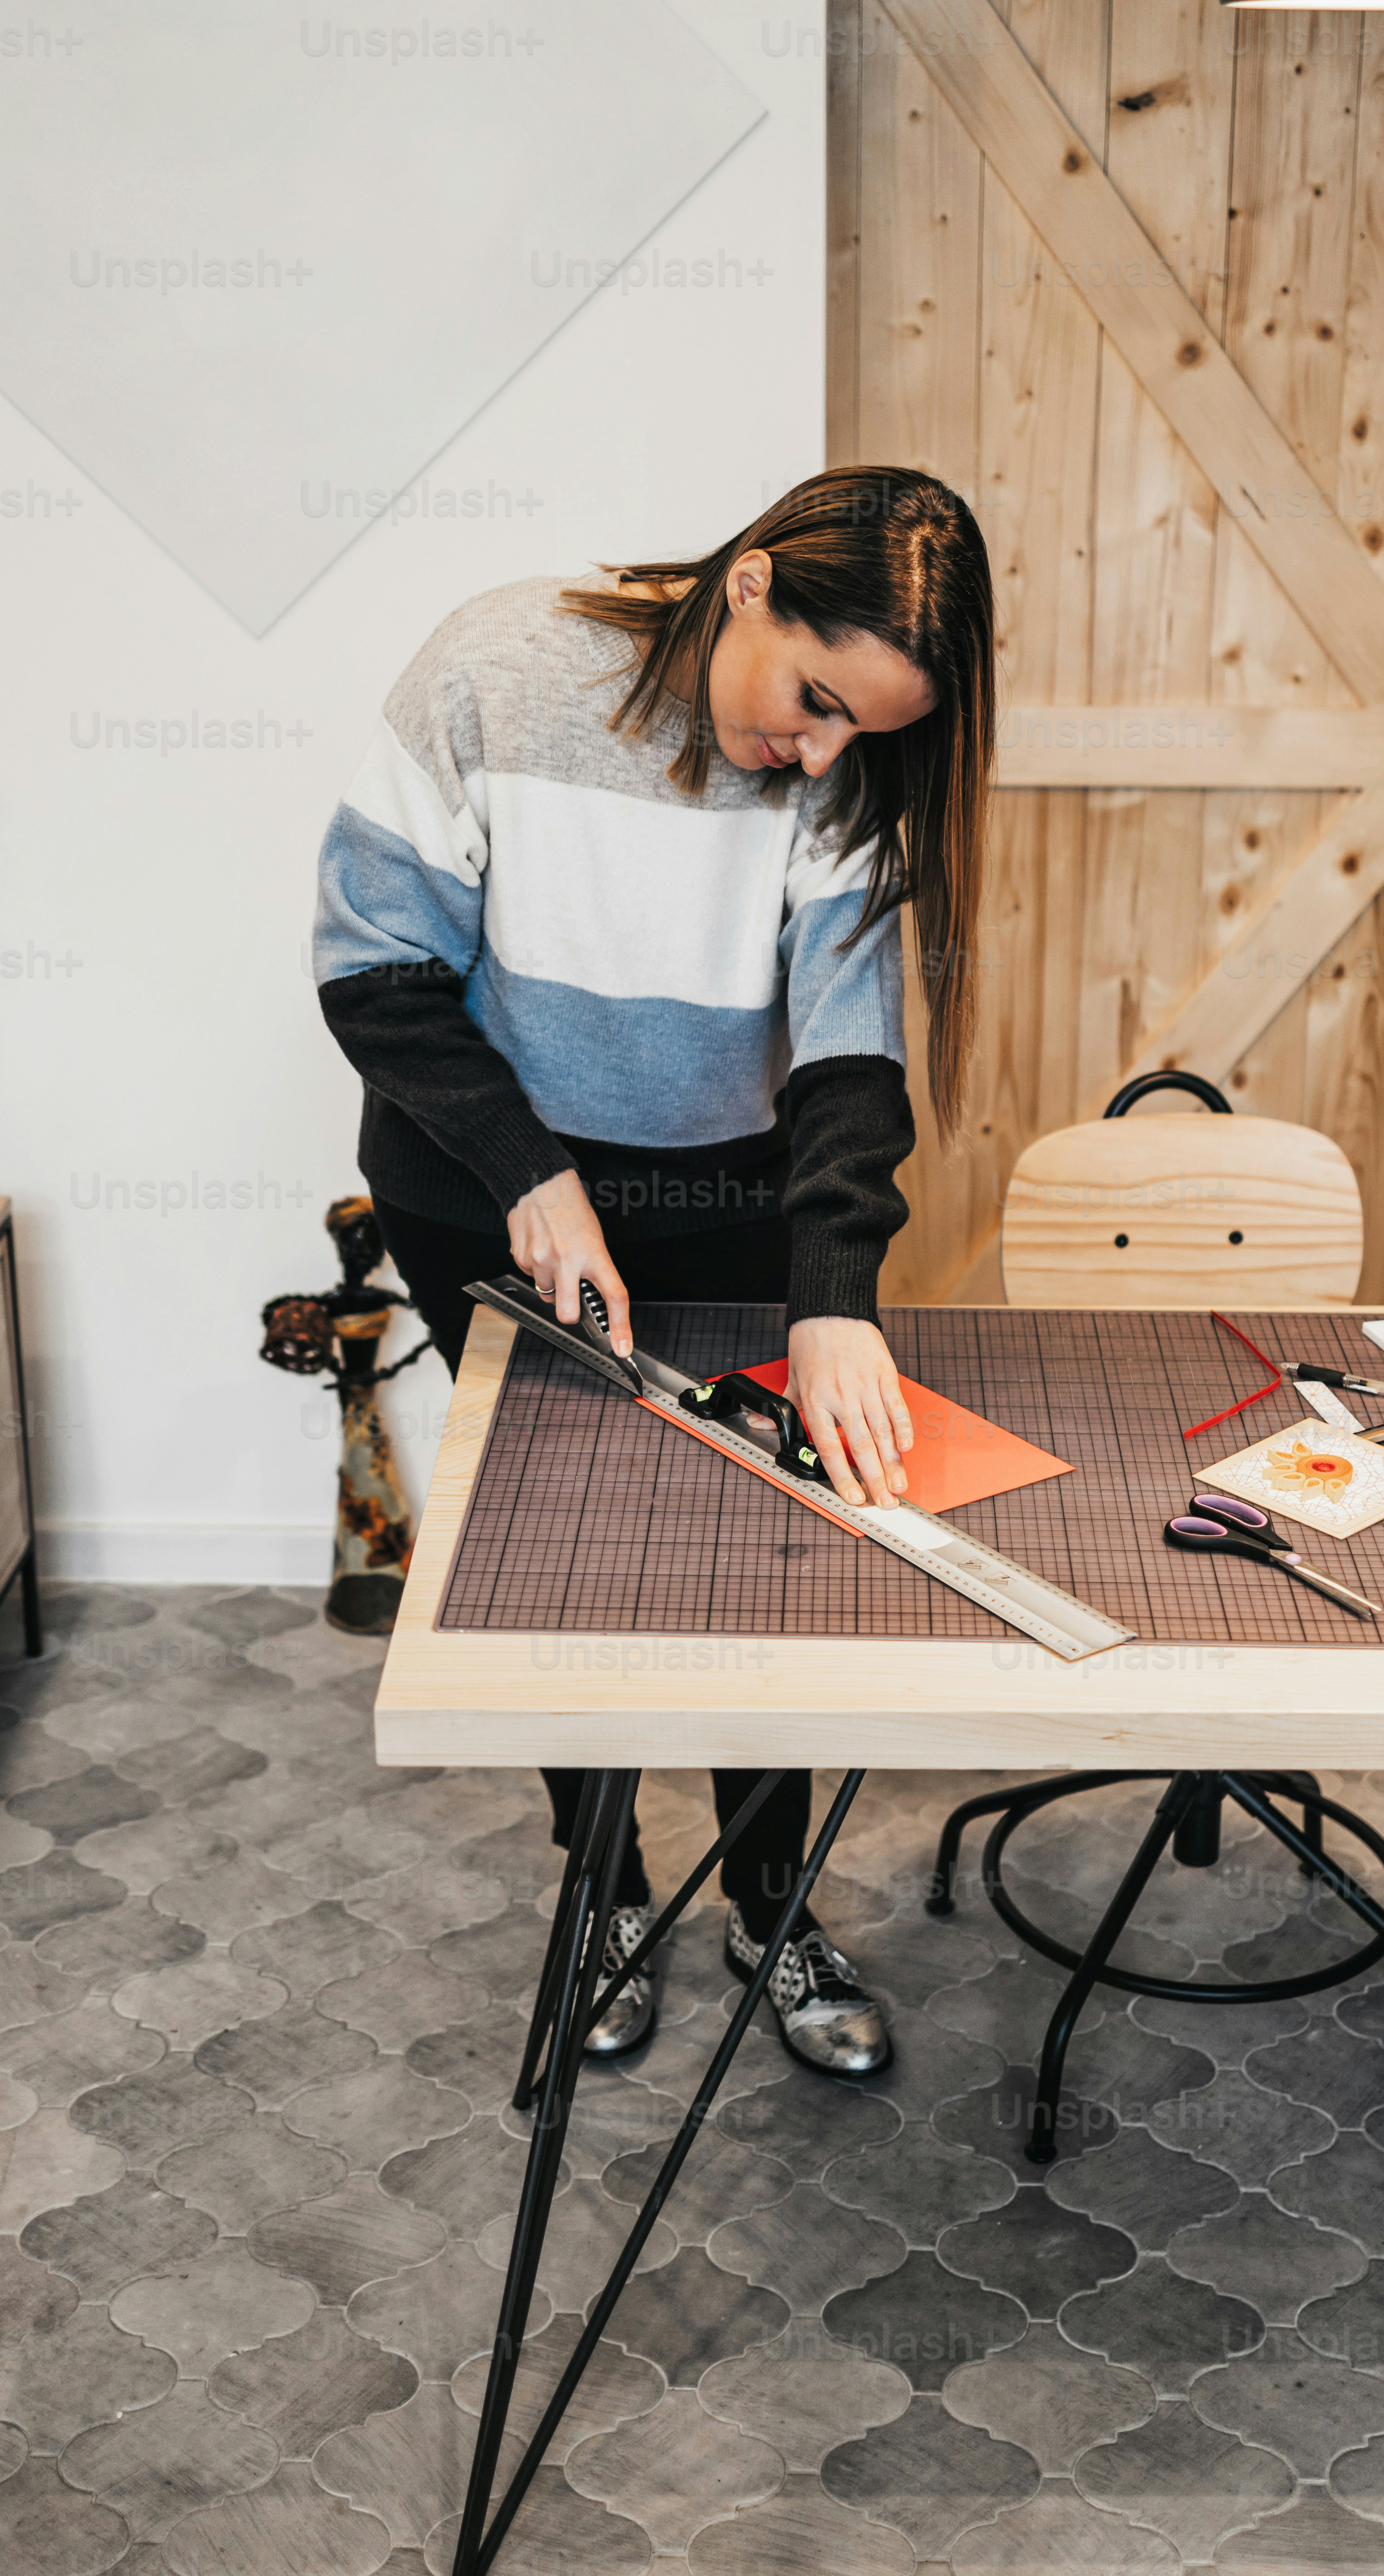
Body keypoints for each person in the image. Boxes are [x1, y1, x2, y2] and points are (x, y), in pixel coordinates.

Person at [314, 466, 995, 2075]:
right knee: (561, 1563)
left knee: (775, 1560)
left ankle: (767, 1899)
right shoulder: (494, 670)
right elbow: (373, 966)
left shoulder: (836, 769)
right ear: (750, 583)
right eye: (816, 704)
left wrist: (833, 1298)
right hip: (489, 1193)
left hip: (732, 1190)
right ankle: (607, 1888)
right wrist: (532, 1174)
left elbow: (846, 1053)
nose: (820, 756)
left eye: (860, 740)